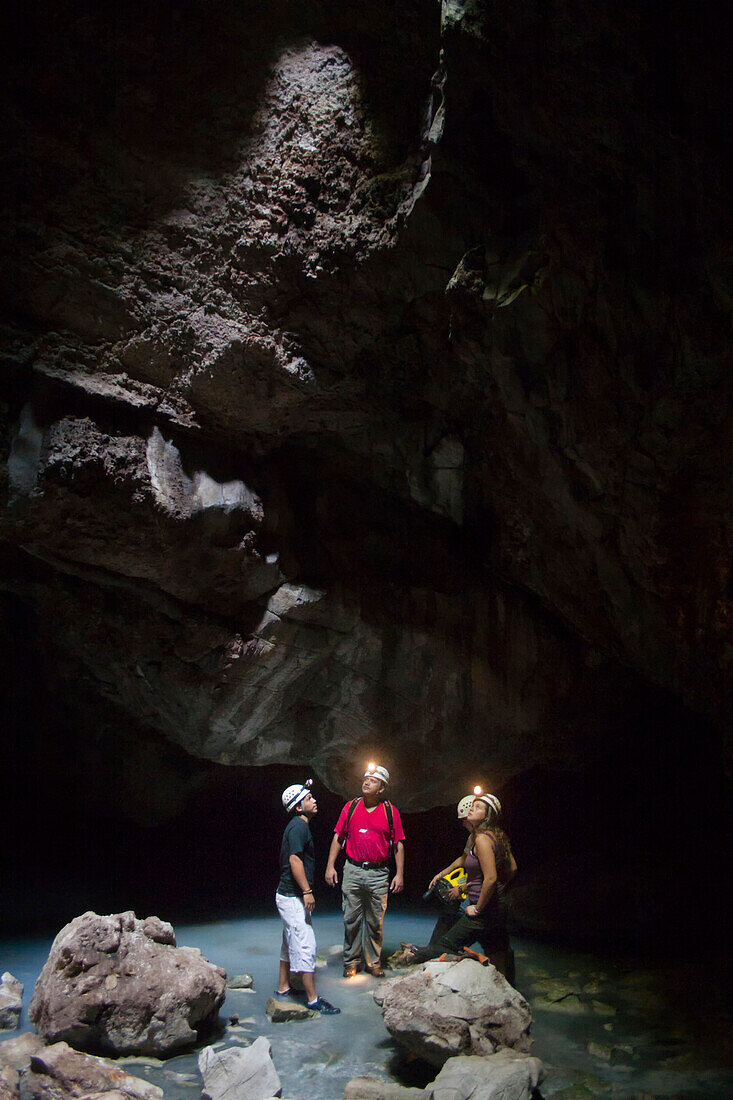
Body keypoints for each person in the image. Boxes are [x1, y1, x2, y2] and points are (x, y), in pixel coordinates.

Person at [403, 792, 516, 975]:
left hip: (483, 908)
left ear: (487, 816)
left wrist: (478, 905)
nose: (472, 808)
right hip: (496, 906)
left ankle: (441, 959)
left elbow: (490, 878)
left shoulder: (481, 839)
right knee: (498, 947)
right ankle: (509, 988)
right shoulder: (496, 837)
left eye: (478, 807)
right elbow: (512, 869)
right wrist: (498, 891)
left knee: (446, 945)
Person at [325, 763, 405, 978]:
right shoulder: (350, 807)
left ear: (381, 788)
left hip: (379, 874)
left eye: (373, 780)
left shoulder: (390, 812)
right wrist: (330, 865)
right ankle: (351, 962)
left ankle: (373, 962)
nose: (366, 782)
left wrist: (399, 873)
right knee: (350, 919)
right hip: (353, 869)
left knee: (374, 922)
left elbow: (397, 844)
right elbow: (338, 837)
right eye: (365, 778)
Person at [276, 779, 340, 1014]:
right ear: (298, 807)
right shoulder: (299, 827)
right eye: (309, 798)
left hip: (286, 896)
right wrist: (307, 891)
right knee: (306, 944)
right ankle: (313, 1000)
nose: (315, 801)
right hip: (292, 896)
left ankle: (283, 988)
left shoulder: (298, 826)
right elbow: (295, 860)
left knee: (287, 942)